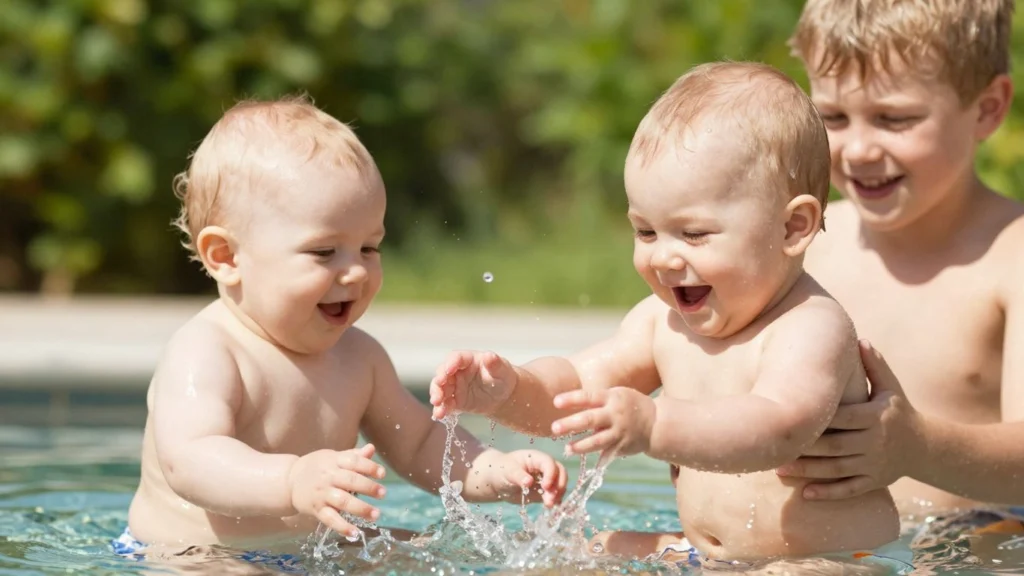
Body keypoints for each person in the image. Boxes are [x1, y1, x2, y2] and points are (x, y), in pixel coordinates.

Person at [429, 62, 906, 567]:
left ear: (792, 227)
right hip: (701, 553)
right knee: (583, 551)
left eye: (694, 234)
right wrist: (509, 391)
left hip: (833, 559)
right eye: (646, 232)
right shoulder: (662, 323)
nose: (663, 258)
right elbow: (575, 389)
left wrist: (656, 425)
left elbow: (778, 427)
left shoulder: (811, 326)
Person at [114, 96, 567, 568]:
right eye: (324, 252)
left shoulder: (360, 358)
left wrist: (497, 471)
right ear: (227, 257)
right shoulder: (208, 350)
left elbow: (419, 443)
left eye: (370, 248)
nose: (355, 272)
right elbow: (189, 460)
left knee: (429, 555)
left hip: (308, 552)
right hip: (192, 555)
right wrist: (291, 481)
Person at [779, 0, 1024, 531]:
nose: (858, 150)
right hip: (812, 538)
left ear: (987, 109)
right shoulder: (803, 243)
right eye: (833, 117)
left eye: (895, 119)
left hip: (958, 541)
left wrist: (919, 450)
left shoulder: (1013, 259)